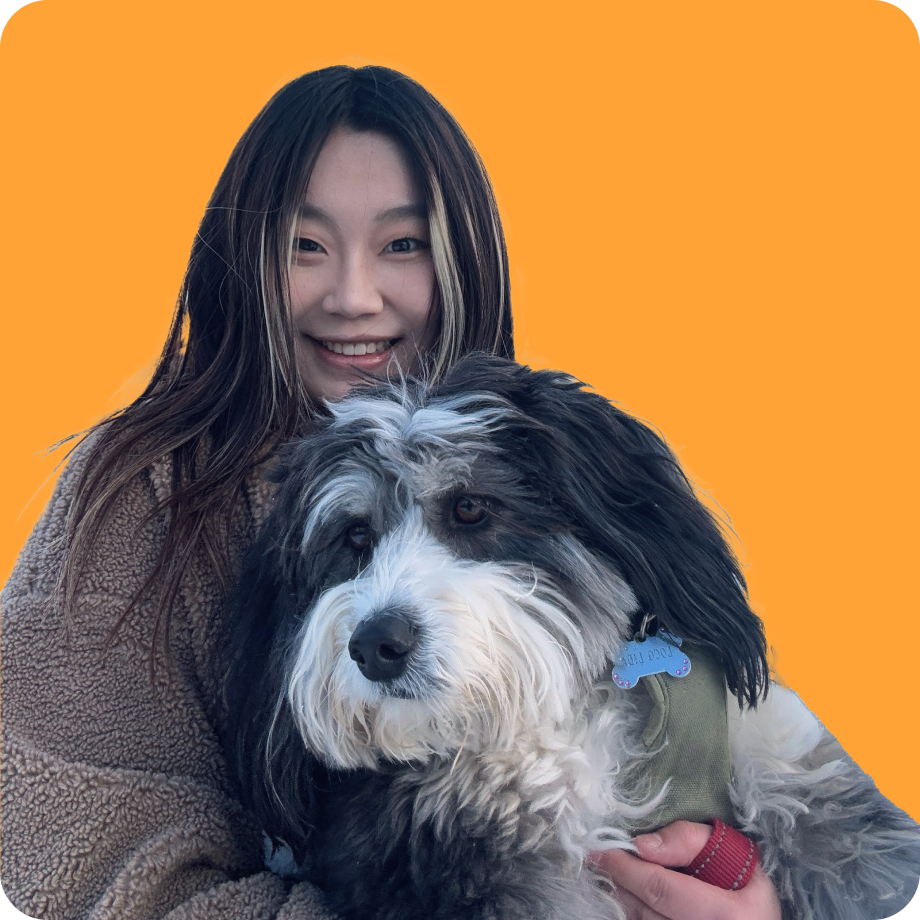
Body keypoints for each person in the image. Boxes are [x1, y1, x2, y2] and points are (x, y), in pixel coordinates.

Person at [0, 65, 780, 920]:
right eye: (304, 245)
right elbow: (62, 865)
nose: (353, 298)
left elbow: (727, 736)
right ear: (243, 262)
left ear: (463, 257)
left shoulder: (561, 459)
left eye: (402, 245)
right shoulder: (148, 494)